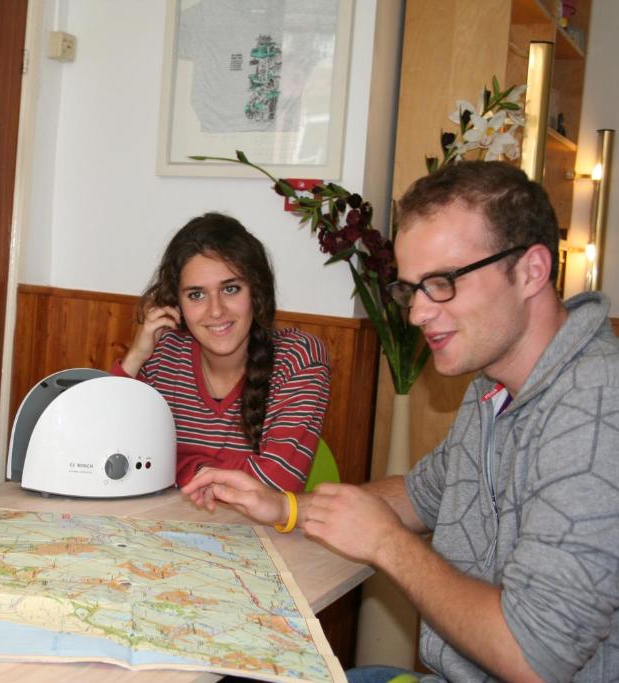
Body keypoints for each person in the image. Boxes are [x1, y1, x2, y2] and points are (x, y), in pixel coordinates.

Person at [184, 161, 619, 682]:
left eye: (442, 282)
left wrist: (389, 545)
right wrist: (286, 506)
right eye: (411, 289)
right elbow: (418, 493)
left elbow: (534, 658)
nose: (416, 314)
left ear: (531, 270)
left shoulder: (596, 410)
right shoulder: (494, 387)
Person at [112, 212, 330, 490]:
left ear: (256, 292)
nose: (216, 310)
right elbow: (104, 454)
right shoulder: (164, 354)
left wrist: (177, 466)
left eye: (230, 289)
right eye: (196, 295)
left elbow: (276, 482)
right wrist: (136, 357)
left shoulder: (299, 358)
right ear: (176, 303)